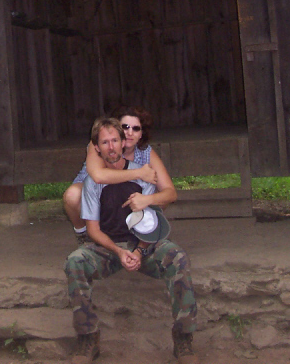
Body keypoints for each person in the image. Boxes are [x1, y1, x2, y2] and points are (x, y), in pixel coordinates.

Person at [64, 117, 198, 364]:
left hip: (143, 246)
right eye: (105, 142)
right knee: (75, 261)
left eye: (115, 140)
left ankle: (183, 338)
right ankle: (87, 337)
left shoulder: (142, 175)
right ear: (97, 148)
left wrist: (137, 251)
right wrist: (117, 251)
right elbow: (92, 230)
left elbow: (152, 223)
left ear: (122, 141)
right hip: (108, 247)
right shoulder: (93, 181)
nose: (111, 147)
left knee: (178, 256)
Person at [62, 106, 161, 244]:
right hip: (95, 188)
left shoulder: (146, 151)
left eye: (136, 128)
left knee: (153, 194)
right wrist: (139, 173)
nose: (129, 132)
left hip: (126, 199)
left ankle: (144, 231)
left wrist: (150, 199)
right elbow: (97, 176)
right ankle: (84, 234)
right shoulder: (100, 143)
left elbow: (169, 192)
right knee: (72, 196)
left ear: (141, 133)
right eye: (125, 127)